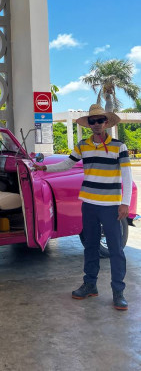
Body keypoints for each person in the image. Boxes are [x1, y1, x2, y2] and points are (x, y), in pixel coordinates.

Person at [34, 104, 133, 310]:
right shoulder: (83, 145)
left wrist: (125, 202)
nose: (96, 124)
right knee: (90, 246)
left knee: (115, 249)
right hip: (88, 204)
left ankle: (118, 291)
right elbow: (67, 164)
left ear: (106, 122)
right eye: (92, 121)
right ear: (88, 124)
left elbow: (126, 175)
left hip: (111, 206)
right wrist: (44, 167)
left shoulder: (119, 146)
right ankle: (90, 285)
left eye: (100, 120)